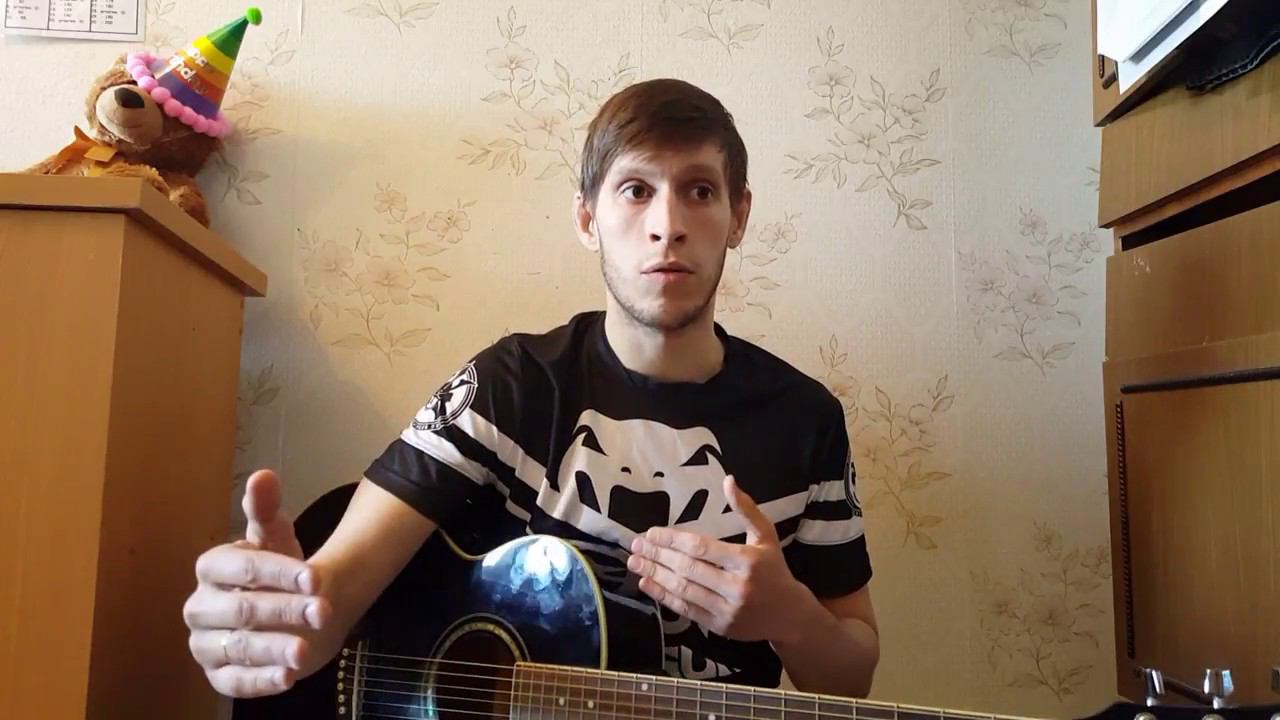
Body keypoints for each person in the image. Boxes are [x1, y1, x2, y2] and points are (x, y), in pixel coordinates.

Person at [183, 77, 879, 700]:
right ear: (587, 220)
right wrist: (286, 619)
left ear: (738, 217)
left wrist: (790, 615)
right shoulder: (510, 386)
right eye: (636, 190)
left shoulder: (805, 421)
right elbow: (335, 590)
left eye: (699, 191)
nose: (668, 226)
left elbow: (849, 679)